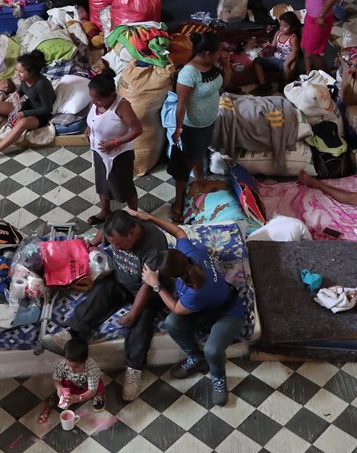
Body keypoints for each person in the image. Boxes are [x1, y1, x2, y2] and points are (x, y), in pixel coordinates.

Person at [42, 210, 171, 402]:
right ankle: (70, 333)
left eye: (118, 244)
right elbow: (105, 228)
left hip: (147, 289)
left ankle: (134, 370)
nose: (114, 247)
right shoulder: (120, 222)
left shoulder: (155, 243)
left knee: (142, 323)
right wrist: (93, 243)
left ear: (132, 233)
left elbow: (148, 284)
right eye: (112, 243)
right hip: (120, 280)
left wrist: (133, 314)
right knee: (99, 294)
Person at [135, 210, 247, 406]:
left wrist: (155, 284)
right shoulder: (190, 254)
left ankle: (218, 378)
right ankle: (195, 358)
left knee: (212, 350)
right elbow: (178, 232)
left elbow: (176, 308)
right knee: (171, 324)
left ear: (174, 275)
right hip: (205, 309)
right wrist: (150, 217)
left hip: (228, 313)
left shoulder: (195, 292)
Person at [171, 32, 224, 222]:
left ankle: (200, 181)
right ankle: (178, 204)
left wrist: (225, 65)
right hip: (193, 127)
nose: (221, 53)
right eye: (218, 51)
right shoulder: (189, 73)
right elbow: (181, 104)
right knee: (185, 165)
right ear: (207, 53)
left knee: (198, 154)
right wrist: (178, 130)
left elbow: (224, 84)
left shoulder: (212, 66)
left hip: (208, 122)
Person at [0, 51, 55, 162]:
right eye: (16, 70)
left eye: (21, 72)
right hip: (28, 107)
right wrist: (18, 93)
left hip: (40, 115)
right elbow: (23, 88)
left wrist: (24, 113)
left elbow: (47, 109)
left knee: (22, 123)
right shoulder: (24, 79)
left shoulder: (42, 85)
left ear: (32, 72)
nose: (17, 74)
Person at [86, 68, 142, 225]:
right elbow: (94, 120)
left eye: (97, 99)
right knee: (102, 183)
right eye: (91, 97)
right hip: (99, 152)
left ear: (110, 95)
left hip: (119, 156)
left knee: (124, 187)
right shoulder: (97, 102)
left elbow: (137, 130)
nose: (93, 102)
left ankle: (133, 216)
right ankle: (105, 211)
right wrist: (89, 129)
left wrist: (115, 143)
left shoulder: (122, 106)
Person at [38, 337, 105, 424]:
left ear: (84, 361)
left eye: (76, 367)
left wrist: (79, 398)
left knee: (98, 387)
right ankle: (70, 396)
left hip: (88, 386)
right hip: (74, 383)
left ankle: (100, 396)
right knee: (65, 382)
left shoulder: (91, 369)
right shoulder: (62, 364)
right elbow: (56, 378)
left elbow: (92, 390)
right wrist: (59, 388)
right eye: (68, 365)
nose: (71, 370)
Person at [252, 10, 301, 89]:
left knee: (287, 71)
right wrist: (268, 49)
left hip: (286, 61)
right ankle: (263, 84)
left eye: (285, 26)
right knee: (257, 61)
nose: (281, 28)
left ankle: (285, 86)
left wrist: (286, 65)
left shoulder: (293, 38)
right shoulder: (278, 33)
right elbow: (273, 46)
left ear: (293, 28)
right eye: (280, 25)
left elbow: (294, 53)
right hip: (275, 59)